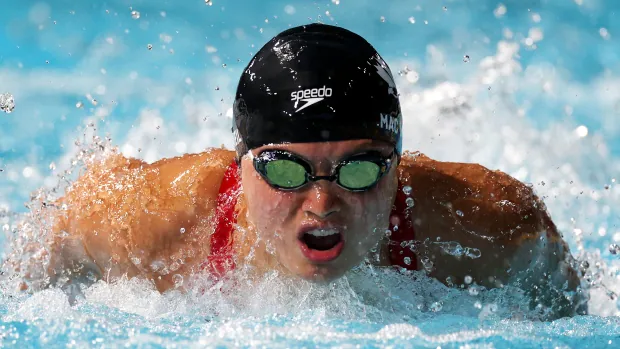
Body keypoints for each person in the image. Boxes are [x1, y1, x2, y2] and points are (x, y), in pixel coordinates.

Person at [23, 23, 585, 316]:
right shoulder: (161, 222)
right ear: (242, 166)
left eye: (359, 170)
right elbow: (55, 241)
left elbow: (570, 315)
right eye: (287, 172)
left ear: (395, 169)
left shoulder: (485, 224)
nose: (321, 205)